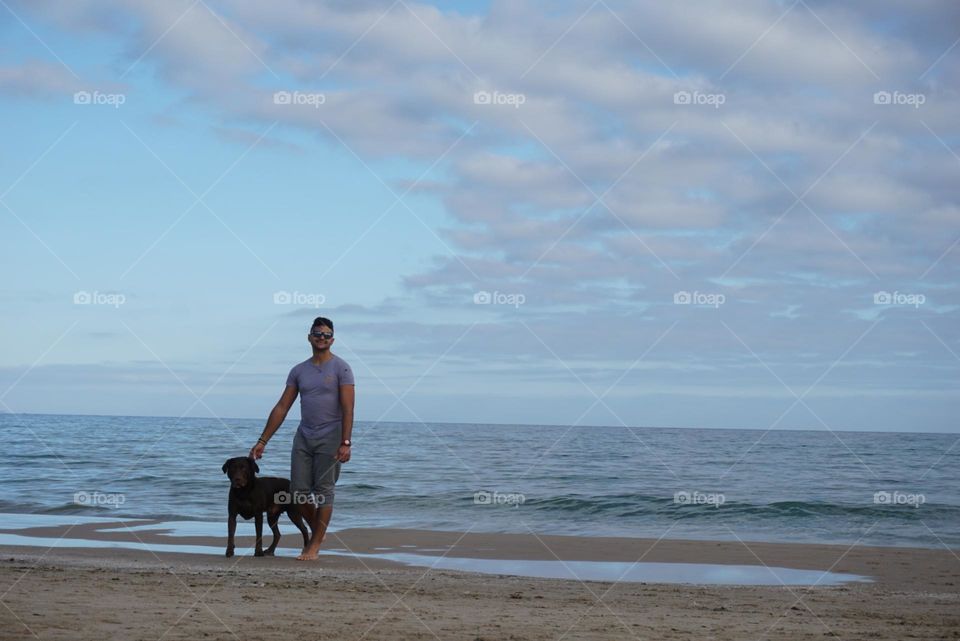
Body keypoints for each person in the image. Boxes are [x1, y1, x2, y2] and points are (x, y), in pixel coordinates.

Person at [249, 316, 355, 561]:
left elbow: (348, 408)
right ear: (309, 337)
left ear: (333, 340)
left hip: (332, 436)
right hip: (304, 436)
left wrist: (346, 442)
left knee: (324, 490)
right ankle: (320, 528)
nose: (322, 337)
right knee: (297, 492)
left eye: (327, 334)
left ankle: (314, 545)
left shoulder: (342, 368)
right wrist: (263, 441)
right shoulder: (299, 371)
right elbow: (282, 407)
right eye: (317, 333)